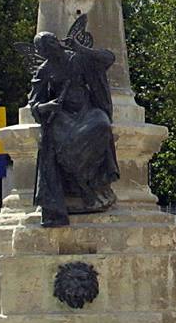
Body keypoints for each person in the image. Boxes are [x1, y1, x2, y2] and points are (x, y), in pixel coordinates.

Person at [28, 29, 120, 227]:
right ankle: (82, 187)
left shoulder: (77, 59)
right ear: (42, 52)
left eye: (53, 41)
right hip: (62, 116)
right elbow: (34, 102)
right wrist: (47, 106)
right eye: (47, 46)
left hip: (87, 111)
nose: (53, 46)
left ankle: (93, 184)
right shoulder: (45, 70)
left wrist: (82, 49)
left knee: (102, 125)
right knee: (60, 144)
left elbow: (108, 59)